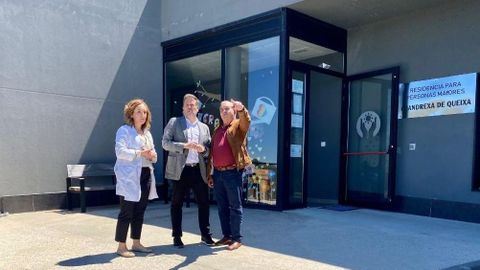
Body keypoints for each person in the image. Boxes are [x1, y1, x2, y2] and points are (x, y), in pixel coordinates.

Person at [162, 94, 215, 248]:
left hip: (198, 170)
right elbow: (165, 143)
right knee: (176, 203)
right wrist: (183, 146)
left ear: (197, 108)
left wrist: (202, 149)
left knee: (204, 203)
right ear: (183, 107)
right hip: (181, 170)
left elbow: (208, 150)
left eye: (193, 105)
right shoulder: (175, 122)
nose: (190, 107)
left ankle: (205, 235)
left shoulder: (204, 127)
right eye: (187, 105)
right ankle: (177, 236)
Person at [114, 99, 159, 258]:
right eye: (139, 111)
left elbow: (153, 155)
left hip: (145, 174)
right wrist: (140, 153)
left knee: (140, 211)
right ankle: (121, 246)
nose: (142, 115)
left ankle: (136, 242)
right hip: (129, 177)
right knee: (126, 211)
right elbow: (120, 152)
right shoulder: (124, 131)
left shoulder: (147, 134)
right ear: (131, 114)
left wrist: (153, 155)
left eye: (145, 112)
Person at [207, 99, 252, 251]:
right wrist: (210, 174)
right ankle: (227, 236)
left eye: (227, 109)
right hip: (218, 173)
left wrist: (242, 110)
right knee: (222, 207)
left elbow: (246, 122)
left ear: (233, 111)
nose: (224, 111)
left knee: (235, 206)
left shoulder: (238, 126)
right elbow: (213, 154)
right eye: (222, 109)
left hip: (232, 172)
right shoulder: (217, 130)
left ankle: (236, 238)